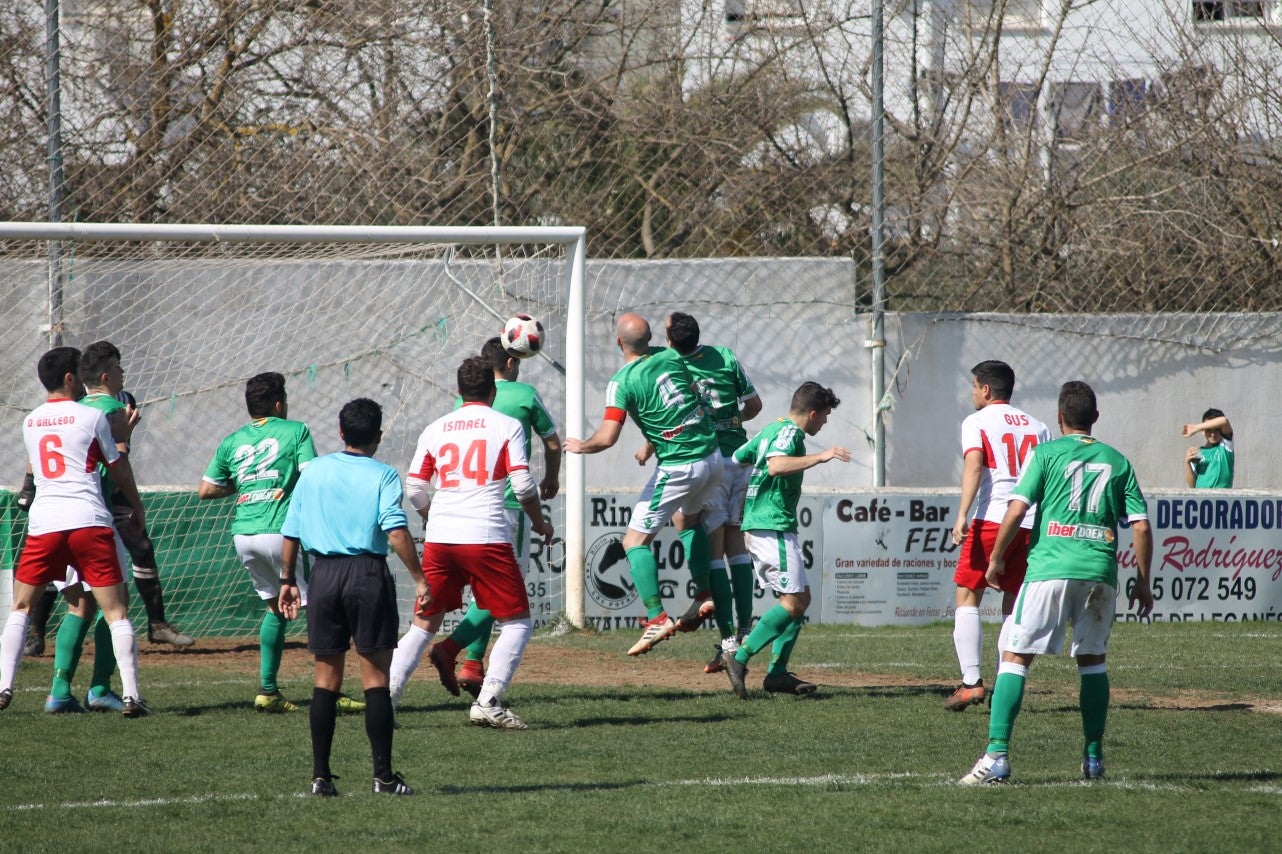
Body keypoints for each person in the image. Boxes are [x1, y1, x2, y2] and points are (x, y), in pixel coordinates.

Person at [960, 380, 1154, 785]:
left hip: (1050, 567)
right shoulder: (1117, 460)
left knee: (1014, 657)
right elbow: (1141, 526)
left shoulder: (1045, 454)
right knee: (1093, 662)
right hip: (1100, 571)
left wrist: (995, 558)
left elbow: (1016, 509)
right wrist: (1143, 580)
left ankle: (997, 754)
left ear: (1060, 418)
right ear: (1095, 418)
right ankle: (1094, 759)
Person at [391, 337, 561, 702]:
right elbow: (522, 483)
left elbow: (415, 486)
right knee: (516, 621)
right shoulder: (505, 426)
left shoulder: (436, 428)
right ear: (493, 392)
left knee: (423, 624)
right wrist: (542, 523)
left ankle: (385, 699)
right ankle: (489, 701)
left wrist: (430, 515)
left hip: (441, 537)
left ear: (458, 389)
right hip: (486, 534)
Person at [278, 398, 428, 797]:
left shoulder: (315, 471)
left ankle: (321, 777)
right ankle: (383, 777)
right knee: (375, 680)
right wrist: (420, 578)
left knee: (326, 679)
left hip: (323, 576)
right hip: (366, 575)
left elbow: (290, 530)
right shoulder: (384, 475)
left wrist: (287, 579)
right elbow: (395, 531)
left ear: (341, 433)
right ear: (378, 436)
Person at [199, 372, 364, 714]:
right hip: (281, 533)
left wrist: (247, 487)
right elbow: (311, 475)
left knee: (276, 607)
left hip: (243, 535)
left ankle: (268, 691)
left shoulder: (232, 441)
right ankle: (330, 692)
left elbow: (207, 489)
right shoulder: (296, 430)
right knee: (323, 607)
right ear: (279, 404)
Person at [0, 347, 150, 717]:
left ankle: (10, 688)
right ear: (70, 378)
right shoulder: (90, 415)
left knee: (28, 606)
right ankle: (128, 695)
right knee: (115, 610)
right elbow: (116, 466)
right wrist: (136, 502)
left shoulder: (31, 421)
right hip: (88, 519)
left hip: (45, 523)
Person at [565, 312, 722, 656]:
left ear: (619, 342)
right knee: (687, 519)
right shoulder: (672, 357)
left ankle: (656, 617)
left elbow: (607, 438)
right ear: (652, 339)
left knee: (634, 541)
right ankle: (705, 594)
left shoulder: (622, 382)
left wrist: (580, 446)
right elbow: (686, 402)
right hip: (712, 457)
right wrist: (652, 442)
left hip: (680, 465)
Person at [21, 343, 195, 654]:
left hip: (63, 507)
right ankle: (101, 683)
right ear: (100, 373)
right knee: (114, 605)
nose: (123, 371)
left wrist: (29, 487)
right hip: (93, 506)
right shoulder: (101, 409)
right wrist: (123, 445)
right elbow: (119, 461)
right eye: (118, 366)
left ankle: (56, 684)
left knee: (77, 601)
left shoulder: (58, 411)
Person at [721, 381, 850, 698]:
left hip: (763, 523)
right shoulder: (791, 434)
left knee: (798, 599)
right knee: (795, 601)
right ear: (813, 413)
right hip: (770, 525)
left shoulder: (770, 430)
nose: (825, 423)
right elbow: (776, 466)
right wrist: (822, 456)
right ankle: (737, 658)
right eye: (825, 417)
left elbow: (737, 459)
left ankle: (777, 674)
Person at [658, 312, 762, 676]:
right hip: (741, 458)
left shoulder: (670, 365)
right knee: (737, 546)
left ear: (671, 341)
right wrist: (730, 420)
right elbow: (754, 405)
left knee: (707, 541)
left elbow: (673, 415)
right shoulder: (726, 356)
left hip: (710, 460)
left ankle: (729, 639)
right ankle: (746, 630)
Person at [945, 360, 1051, 711]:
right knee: (1014, 603)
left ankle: (972, 683)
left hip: (993, 518)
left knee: (967, 596)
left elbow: (975, 465)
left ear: (986, 390)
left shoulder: (976, 421)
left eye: (974, 385)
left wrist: (962, 515)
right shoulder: (1040, 427)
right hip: (1031, 521)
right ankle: (1005, 680)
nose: (972, 392)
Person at [1182, 408, 1234, 488]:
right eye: (1208, 430)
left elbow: (1224, 421)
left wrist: (1196, 428)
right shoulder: (1198, 453)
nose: (1213, 434)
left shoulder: (1225, 445)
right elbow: (1192, 486)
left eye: (1216, 430)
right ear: (1203, 431)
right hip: (1202, 498)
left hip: (1221, 498)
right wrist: (1187, 462)